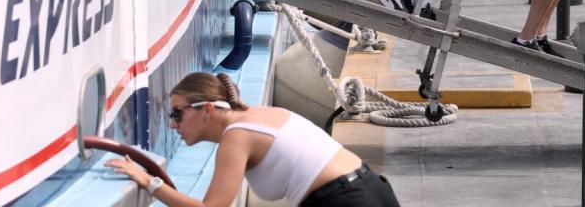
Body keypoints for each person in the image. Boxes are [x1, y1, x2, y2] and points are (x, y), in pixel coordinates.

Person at [106, 72, 400, 207]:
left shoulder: (236, 136)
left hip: (344, 201)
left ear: (207, 110)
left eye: (177, 114)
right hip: (371, 188)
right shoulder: (256, 115)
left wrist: (150, 183)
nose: (172, 125)